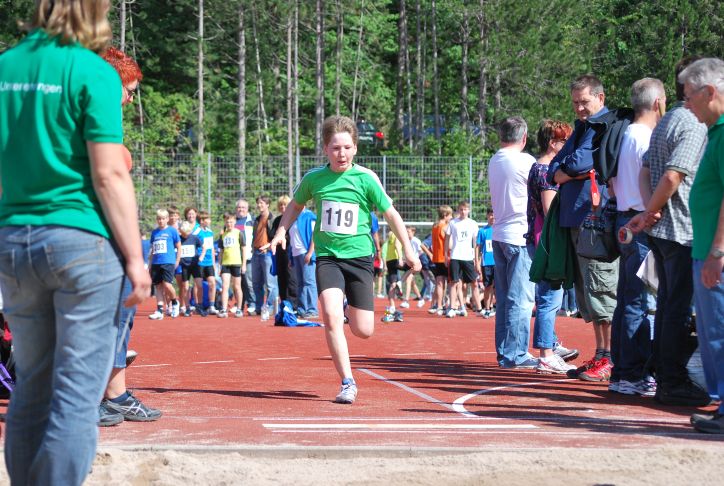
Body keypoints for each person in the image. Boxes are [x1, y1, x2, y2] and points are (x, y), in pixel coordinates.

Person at [0, 1, 151, 483]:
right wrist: (135, 258)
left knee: (31, 386)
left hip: (14, 240)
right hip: (80, 240)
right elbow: (109, 173)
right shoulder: (93, 71)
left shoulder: (5, 66)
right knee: (76, 394)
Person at [269, 115, 420, 404]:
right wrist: (280, 233)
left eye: (347, 148)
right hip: (328, 257)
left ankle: (350, 307)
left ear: (355, 149)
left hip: (360, 258)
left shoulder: (366, 178)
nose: (342, 154)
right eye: (336, 148)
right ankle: (347, 382)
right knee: (330, 315)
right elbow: (295, 206)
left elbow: (391, 214)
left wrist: (408, 249)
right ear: (326, 149)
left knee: (364, 330)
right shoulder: (314, 178)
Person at [627, 57, 710, 407]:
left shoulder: (666, 120)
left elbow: (646, 171)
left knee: (666, 305)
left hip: (664, 229)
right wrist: (652, 209)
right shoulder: (692, 122)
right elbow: (672, 175)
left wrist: (650, 209)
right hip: (682, 229)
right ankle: (672, 380)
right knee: (677, 307)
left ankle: (663, 373)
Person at [97, 46, 160, 427]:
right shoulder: (93, 120)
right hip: (95, 235)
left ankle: (115, 393)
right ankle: (89, 396)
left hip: (106, 234)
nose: (131, 99)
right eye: (130, 90)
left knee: (122, 316)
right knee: (101, 318)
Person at [547, 75, 619, 382]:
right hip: (577, 221)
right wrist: (566, 170)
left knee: (602, 290)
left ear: (600, 98)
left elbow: (576, 165)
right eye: (575, 102)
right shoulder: (581, 128)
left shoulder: (603, 127)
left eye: (584, 102)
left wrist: (568, 170)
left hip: (595, 221)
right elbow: (553, 169)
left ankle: (611, 358)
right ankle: (601, 354)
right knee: (589, 295)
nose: (579, 108)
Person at [607, 78, 666, 396]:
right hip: (641, 221)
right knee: (639, 302)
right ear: (658, 102)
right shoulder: (646, 138)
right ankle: (632, 373)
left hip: (624, 218)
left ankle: (622, 372)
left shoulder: (623, 135)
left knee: (627, 299)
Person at [678, 57, 724, 433]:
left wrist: (717, 251)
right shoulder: (715, 132)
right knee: (711, 334)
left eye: (689, 96)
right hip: (706, 251)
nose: (686, 103)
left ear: (710, 92)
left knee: (719, 333)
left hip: (716, 254)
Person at [526, 119, 578, 374]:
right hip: (546, 242)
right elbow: (549, 211)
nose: (568, 145)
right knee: (549, 298)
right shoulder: (545, 170)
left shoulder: (539, 167)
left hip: (540, 240)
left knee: (549, 297)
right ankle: (546, 354)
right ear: (552, 143)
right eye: (564, 141)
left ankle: (552, 345)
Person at [488, 117, 537, 368]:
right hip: (520, 235)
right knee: (521, 299)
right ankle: (516, 354)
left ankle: (505, 352)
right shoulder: (525, 161)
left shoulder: (495, 159)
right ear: (524, 137)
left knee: (506, 298)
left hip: (499, 235)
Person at [444, 201, 481, 318]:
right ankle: (452, 308)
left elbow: (476, 243)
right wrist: (446, 255)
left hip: (468, 257)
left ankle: (479, 309)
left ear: (469, 210)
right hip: (455, 256)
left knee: (474, 282)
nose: (463, 212)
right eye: (461, 209)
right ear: (458, 210)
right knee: (453, 282)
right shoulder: (453, 223)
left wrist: (476, 259)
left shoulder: (473, 224)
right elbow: (447, 238)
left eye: (465, 209)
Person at [147, 210, 182, 319]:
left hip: (168, 261)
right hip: (156, 262)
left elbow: (179, 246)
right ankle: (159, 310)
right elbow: (152, 249)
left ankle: (175, 302)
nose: (161, 221)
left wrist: (177, 260)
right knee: (158, 286)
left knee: (167, 285)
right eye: (159, 219)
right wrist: (150, 264)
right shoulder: (154, 232)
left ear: (167, 219)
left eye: (163, 219)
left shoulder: (172, 231)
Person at [289, 204, 319, 318]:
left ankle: (312, 310)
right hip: (296, 254)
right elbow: (292, 239)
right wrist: (291, 256)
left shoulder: (309, 216)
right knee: (300, 283)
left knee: (309, 282)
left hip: (306, 253)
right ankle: (302, 309)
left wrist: (310, 253)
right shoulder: (293, 217)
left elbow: (315, 235)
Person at [251, 195, 278, 319]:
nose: (259, 205)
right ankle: (259, 307)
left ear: (267, 204)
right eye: (258, 203)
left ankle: (271, 307)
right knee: (256, 283)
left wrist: (269, 247)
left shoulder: (273, 219)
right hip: (256, 252)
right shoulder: (256, 219)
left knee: (270, 283)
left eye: (261, 203)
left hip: (267, 253)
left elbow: (275, 236)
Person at [217, 213, 246, 318]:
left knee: (237, 286)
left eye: (231, 222)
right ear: (225, 223)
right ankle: (224, 309)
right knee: (225, 286)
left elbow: (243, 249)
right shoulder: (223, 235)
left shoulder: (239, 233)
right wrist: (219, 265)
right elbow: (221, 251)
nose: (229, 224)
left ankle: (239, 309)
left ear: (235, 222)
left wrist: (244, 264)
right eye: (227, 222)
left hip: (236, 263)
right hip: (225, 264)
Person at [272, 195, 298, 306]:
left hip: (290, 252)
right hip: (279, 253)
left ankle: (293, 305)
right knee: (281, 278)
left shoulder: (294, 219)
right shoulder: (277, 220)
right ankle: (284, 303)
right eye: (281, 205)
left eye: (285, 205)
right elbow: (272, 234)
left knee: (291, 278)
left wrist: (284, 237)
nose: (283, 207)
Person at [428, 205, 453, 315]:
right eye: (450, 215)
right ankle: (451, 305)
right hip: (445, 257)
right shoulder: (445, 227)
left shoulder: (435, 226)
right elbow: (449, 244)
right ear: (445, 215)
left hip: (437, 257)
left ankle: (439, 306)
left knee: (439, 283)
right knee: (451, 283)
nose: (451, 217)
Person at [177, 220, 203, 317]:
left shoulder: (194, 238)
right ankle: (187, 308)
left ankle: (199, 306)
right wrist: (177, 260)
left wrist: (201, 256)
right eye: (184, 233)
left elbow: (204, 247)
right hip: (185, 266)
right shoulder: (179, 239)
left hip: (195, 265)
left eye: (187, 232)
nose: (186, 235)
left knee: (199, 285)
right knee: (186, 287)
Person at [235, 199, 256, 314]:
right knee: (238, 283)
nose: (241, 209)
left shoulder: (252, 221)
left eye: (243, 207)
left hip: (248, 256)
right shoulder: (232, 221)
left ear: (247, 209)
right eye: (239, 207)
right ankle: (240, 304)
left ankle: (252, 304)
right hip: (234, 257)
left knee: (249, 282)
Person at [476, 210, 496, 318]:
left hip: (498, 263)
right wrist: (477, 262)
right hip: (487, 263)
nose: (493, 217)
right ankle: (487, 308)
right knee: (488, 286)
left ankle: (495, 307)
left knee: (498, 287)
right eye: (491, 215)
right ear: (488, 216)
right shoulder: (482, 231)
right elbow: (478, 247)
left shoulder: (499, 230)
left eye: (494, 215)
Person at [197, 211, 218, 314]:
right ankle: (199, 305)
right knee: (199, 285)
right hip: (200, 262)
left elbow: (212, 248)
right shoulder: (196, 233)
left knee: (212, 283)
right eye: (207, 219)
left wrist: (213, 263)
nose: (209, 221)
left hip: (209, 262)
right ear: (202, 221)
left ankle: (211, 306)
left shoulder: (210, 232)